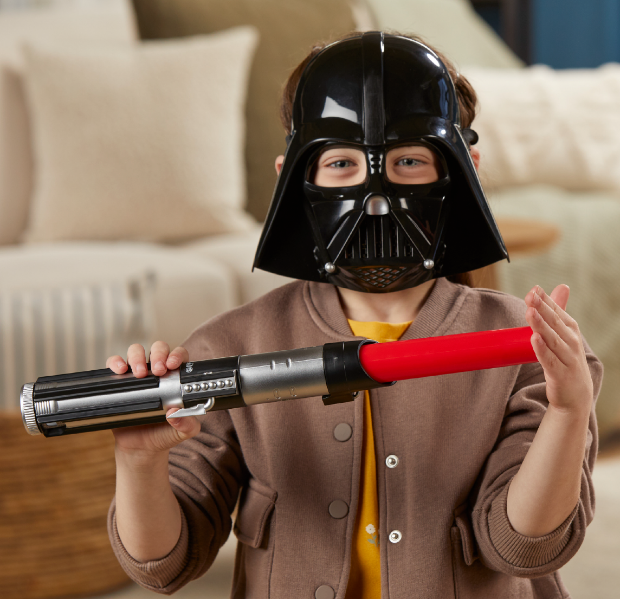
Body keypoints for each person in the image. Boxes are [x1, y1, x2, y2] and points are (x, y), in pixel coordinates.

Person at [106, 32, 602, 599]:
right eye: (341, 162)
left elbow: (521, 547)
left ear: (465, 170)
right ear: (295, 178)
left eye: (408, 160)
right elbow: (163, 565)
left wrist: (568, 413)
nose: (375, 196)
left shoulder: (521, 350)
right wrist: (139, 462)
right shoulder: (231, 347)